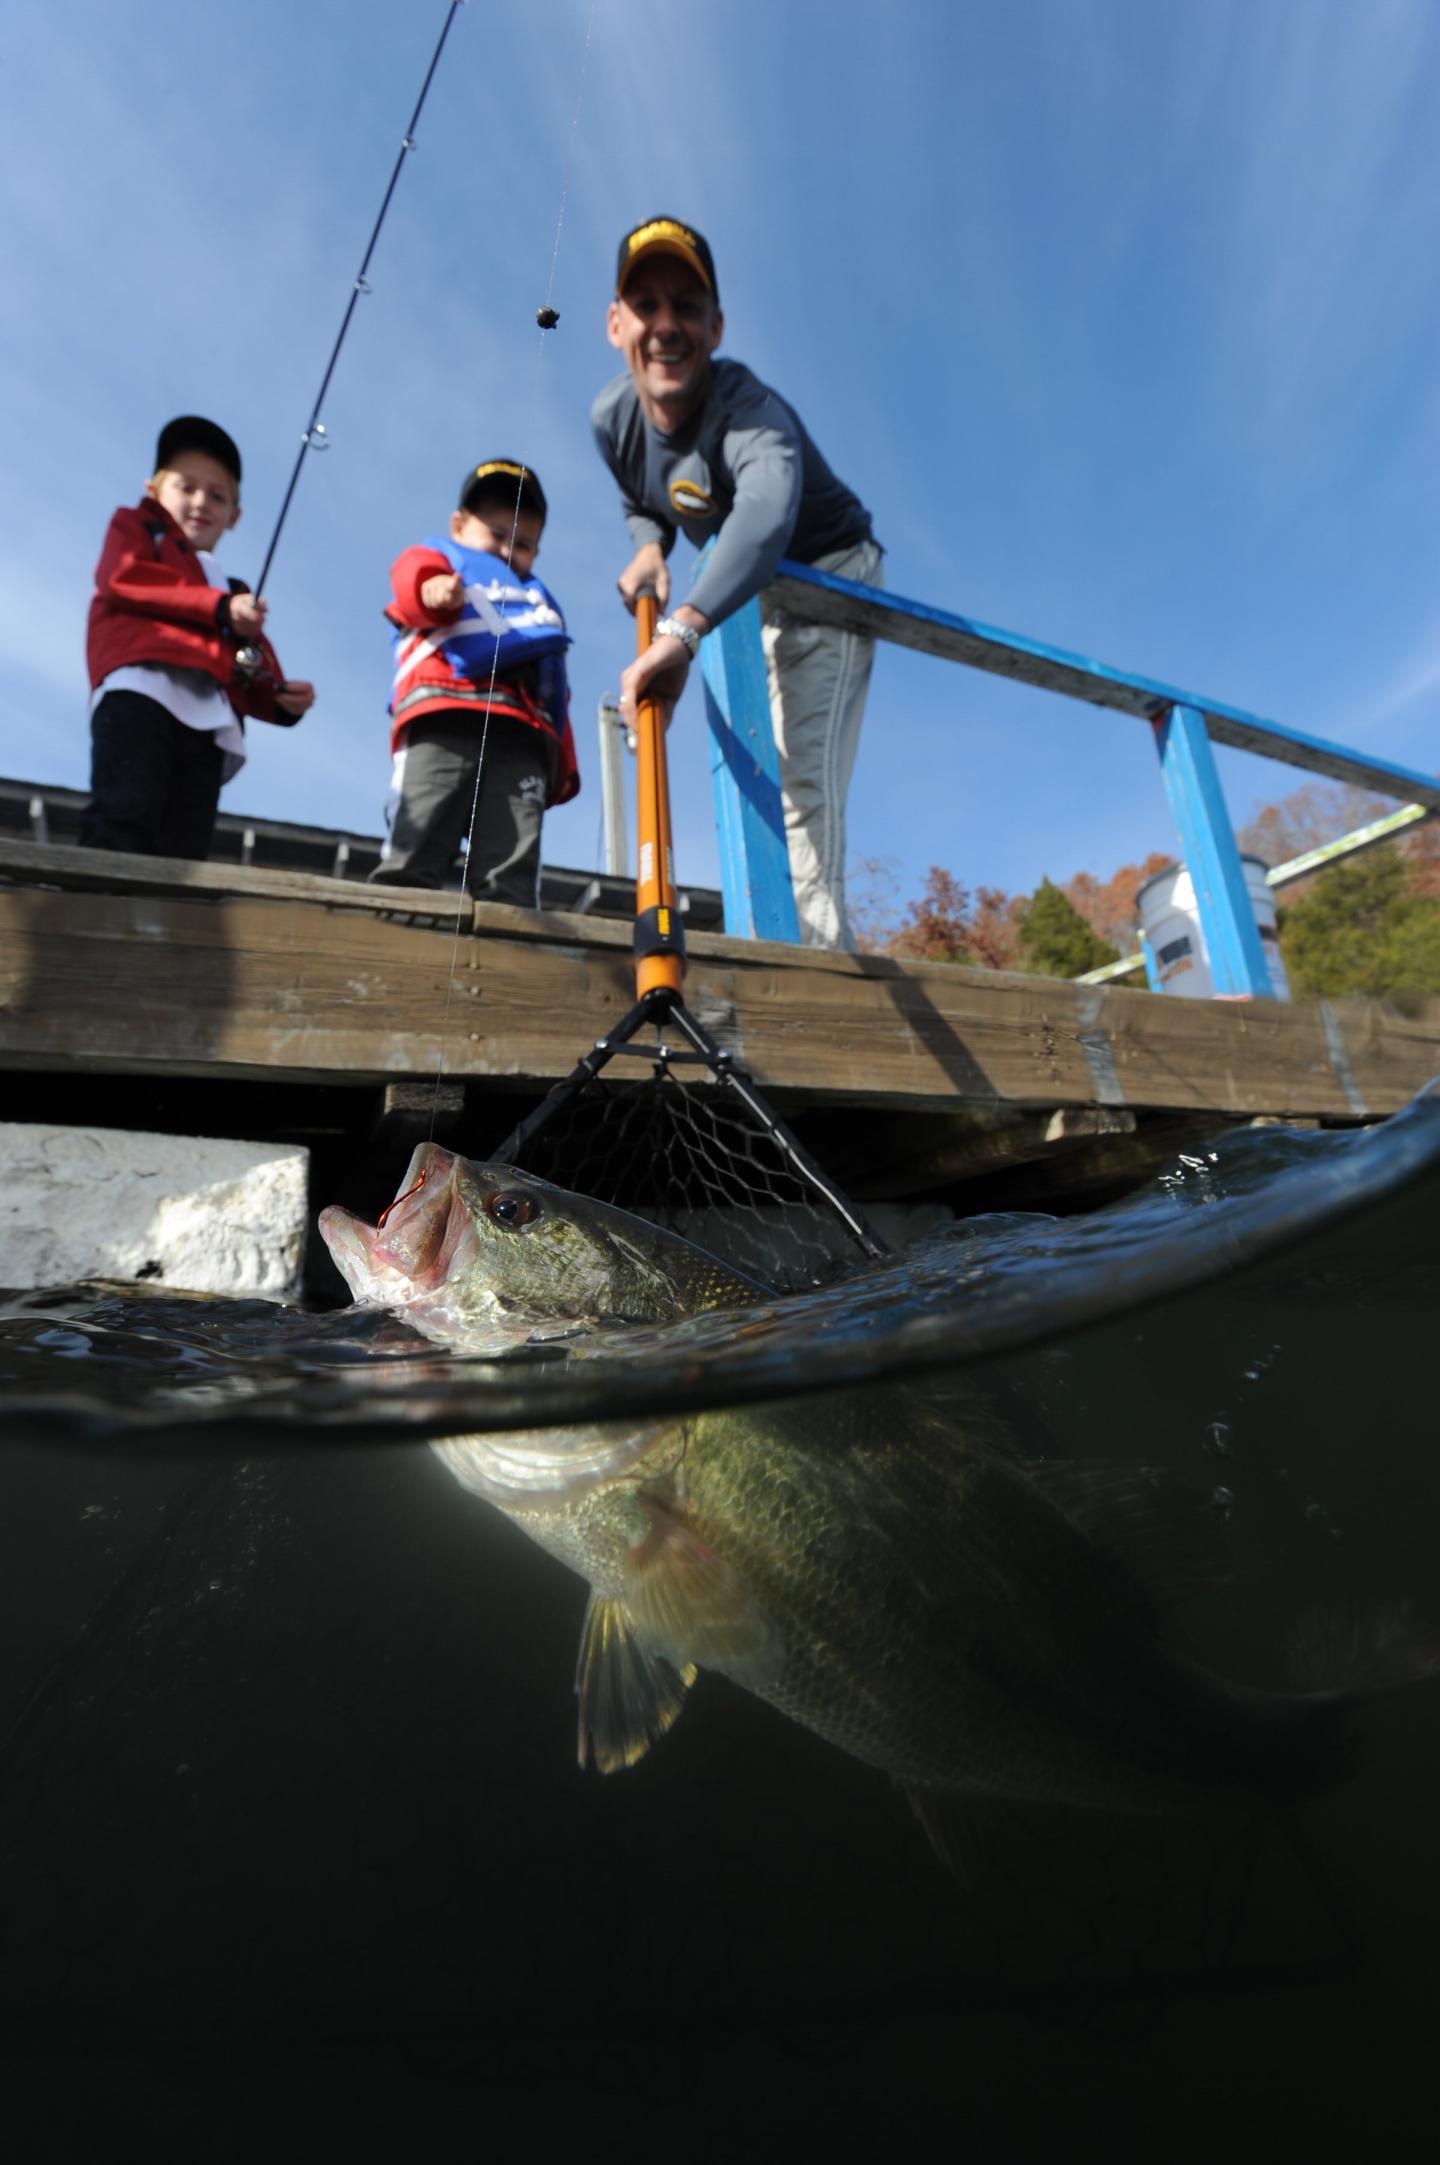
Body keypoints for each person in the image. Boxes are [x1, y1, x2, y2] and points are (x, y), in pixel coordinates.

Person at [592, 217, 882, 950]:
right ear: (615, 321)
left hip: (827, 576)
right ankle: (781, 946)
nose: (666, 326)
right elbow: (640, 497)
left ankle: (817, 975)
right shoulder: (613, 421)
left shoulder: (750, 411)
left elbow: (765, 510)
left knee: (801, 785)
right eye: (646, 304)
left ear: (716, 326)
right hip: (737, 593)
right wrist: (649, 545)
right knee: (747, 775)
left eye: (686, 306)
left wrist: (683, 627)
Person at [83, 415, 314, 859]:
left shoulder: (233, 588)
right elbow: (122, 576)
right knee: (124, 816)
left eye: (217, 495)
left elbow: (253, 663)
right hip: (138, 696)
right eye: (186, 487)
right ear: (153, 491)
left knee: (184, 848)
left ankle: (162, 924)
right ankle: (93, 915)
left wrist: (281, 698)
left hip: (209, 723)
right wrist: (219, 609)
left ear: (234, 516)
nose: (200, 502)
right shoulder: (136, 527)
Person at [372, 459, 578, 900]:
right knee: (418, 837)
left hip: (523, 736)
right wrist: (432, 590)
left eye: (522, 543)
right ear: (459, 525)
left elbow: (557, 686)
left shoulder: (539, 604)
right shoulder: (437, 560)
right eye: (497, 534)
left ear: (537, 553)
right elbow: (411, 583)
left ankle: (506, 948)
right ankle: (398, 936)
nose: (506, 551)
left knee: (511, 865)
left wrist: (562, 764)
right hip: (444, 717)